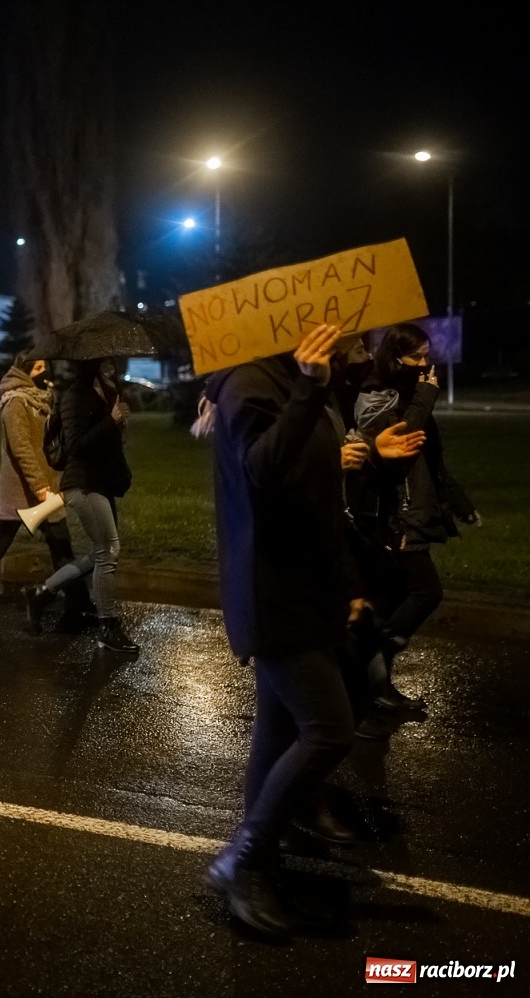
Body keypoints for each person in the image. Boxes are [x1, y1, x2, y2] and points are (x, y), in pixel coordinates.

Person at [204, 323, 366, 937]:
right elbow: (263, 472)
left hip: (306, 587)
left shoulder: (294, 380)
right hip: (274, 593)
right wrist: (307, 390)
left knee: (277, 732)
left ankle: (256, 864)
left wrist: (348, 582)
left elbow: (321, 493)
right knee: (329, 731)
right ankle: (243, 860)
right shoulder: (251, 383)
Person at [354, 323, 478, 713]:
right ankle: (374, 660)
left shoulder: (412, 394)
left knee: (391, 602)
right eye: (417, 358)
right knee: (426, 592)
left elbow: (431, 459)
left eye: (428, 356)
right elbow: (401, 438)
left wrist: (458, 502)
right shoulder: (376, 395)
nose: (426, 365)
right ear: (395, 358)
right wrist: (426, 395)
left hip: (414, 509)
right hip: (394, 515)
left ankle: (371, 684)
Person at [22, 357, 138, 653]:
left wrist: (117, 423)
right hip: (83, 484)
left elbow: (105, 442)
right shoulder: (75, 395)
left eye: (113, 363)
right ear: (92, 365)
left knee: (99, 553)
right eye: (106, 363)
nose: (112, 367)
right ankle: (108, 627)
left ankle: (42, 593)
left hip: (100, 482)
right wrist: (109, 421)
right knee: (109, 552)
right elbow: (76, 445)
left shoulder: (106, 392)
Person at [0, 353, 85, 622]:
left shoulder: (42, 399)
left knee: (61, 542)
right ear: (24, 372)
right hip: (22, 488)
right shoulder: (15, 402)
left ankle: (78, 600)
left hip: (44, 486)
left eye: (45, 367)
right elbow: (21, 449)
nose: (43, 372)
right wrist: (41, 487)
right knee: (1, 539)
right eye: (37, 368)